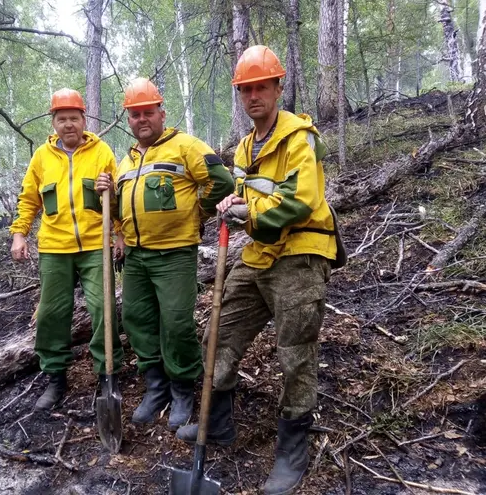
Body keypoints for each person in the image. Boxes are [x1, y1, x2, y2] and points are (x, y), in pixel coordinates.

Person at [175, 45, 339, 495]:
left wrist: (248, 211)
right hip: (260, 255)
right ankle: (218, 422)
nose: (253, 96)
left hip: (301, 255)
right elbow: (249, 198)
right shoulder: (246, 146)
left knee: (295, 353)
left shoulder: (300, 138)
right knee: (218, 335)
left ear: (278, 88)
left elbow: (301, 200)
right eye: (245, 89)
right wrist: (231, 203)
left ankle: (292, 449)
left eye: (261, 87)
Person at [95, 78, 234, 431]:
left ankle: (183, 387)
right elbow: (122, 207)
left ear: (161, 113)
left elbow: (221, 181)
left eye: (148, 112)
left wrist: (198, 213)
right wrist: (119, 229)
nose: (141, 119)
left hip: (174, 253)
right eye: (134, 114)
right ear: (128, 118)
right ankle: (156, 386)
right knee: (137, 320)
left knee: (176, 323)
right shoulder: (125, 162)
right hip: (137, 257)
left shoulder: (185, 145)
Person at [10, 88, 123, 411]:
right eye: (62, 119)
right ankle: (56, 376)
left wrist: (119, 233)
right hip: (54, 247)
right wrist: (19, 234)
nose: (68, 124)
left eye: (74, 118)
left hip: (94, 245)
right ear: (54, 122)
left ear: (84, 120)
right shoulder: (42, 158)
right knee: (51, 314)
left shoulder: (101, 152)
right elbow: (29, 199)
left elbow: (117, 200)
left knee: (104, 309)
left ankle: (107, 375)